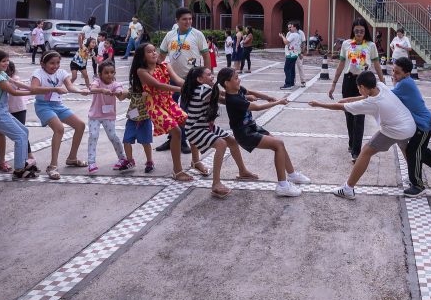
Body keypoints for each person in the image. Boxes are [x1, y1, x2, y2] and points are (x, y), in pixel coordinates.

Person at [310, 70, 414, 201]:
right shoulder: (380, 86)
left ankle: (348, 188)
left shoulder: (372, 103)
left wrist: (318, 104)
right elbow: (364, 97)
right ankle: (414, 178)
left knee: (365, 152)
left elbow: (341, 107)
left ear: (363, 87)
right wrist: (348, 99)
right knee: (404, 147)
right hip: (409, 125)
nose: (358, 91)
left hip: (396, 130)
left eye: (359, 88)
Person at [211, 67, 311, 196]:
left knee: (279, 144)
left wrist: (268, 97)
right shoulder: (234, 100)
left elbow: (252, 92)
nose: (239, 79)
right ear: (226, 83)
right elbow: (257, 108)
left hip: (252, 126)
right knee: (278, 144)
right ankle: (283, 185)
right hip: (244, 134)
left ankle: (292, 174)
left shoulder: (238, 90)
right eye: (236, 78)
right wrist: (278, 102)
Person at [180, 66, 259, 197]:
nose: (212, 77)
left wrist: (243, 98)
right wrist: (243, 100)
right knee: (221, 144)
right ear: (200, 79)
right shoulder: (203, 89)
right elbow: (225, 98)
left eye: (212, 74)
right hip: (196, 129)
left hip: (206, 126)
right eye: (209, 75)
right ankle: (216, 184)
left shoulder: (203, 89)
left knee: (232, 142)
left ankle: (243, 171)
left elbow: (221, 97)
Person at [0, 49, 50, 181]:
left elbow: (16, 83)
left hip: (0, 111)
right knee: (19, 137)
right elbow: (14, 92)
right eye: (3, 61)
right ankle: (19, 170)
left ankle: (23, 163)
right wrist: (35, 93)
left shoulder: (0, 73)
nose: (6, 63)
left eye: (7, 60)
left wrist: (33, 88)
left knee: (24, 131)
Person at [133, 43, 193, 181]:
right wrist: (181, 90)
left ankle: (196, 161)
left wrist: (191, 85)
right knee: (176, 131)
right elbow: (158, 85)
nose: (154, 53)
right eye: (149, 52)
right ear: (142, 56)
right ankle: (177, 171)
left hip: (169, 102)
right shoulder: (141, 71)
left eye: (155, 50)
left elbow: (178, 80)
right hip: (154, 105)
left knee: (190, 124)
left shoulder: (165, 65)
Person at [392, 57, 431, 196]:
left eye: (397, 73)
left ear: (407, 74)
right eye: (393, 71)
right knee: (421, 152)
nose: (394, 75)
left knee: (413, 152)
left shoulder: (404, 84)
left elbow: (388, 96)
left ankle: (418, 185)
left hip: (423, 125)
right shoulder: (404, 81)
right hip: (422, 122)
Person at [328, 19, 384, 162]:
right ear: (353, 30)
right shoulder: (346, 44)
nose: (359, 33)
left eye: (362, 31)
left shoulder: (371, 46)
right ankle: (352, 143)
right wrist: (333, 83)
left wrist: (383, 83)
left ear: (365, 31)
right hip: (348, 81)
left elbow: (377, 64)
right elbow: (341, 63)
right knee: (348, 114)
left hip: (364, 83)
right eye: (356, 30)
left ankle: (356, 151)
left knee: (359, 117)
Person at [156, 8, 209, 154]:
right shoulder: (170, 35)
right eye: (184, 19)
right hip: (172, 79)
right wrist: (154, 73)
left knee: (185, 111)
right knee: (170, 109)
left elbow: (206, 56)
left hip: (191, 79)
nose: (188, 22)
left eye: (190, 19)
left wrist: (207, 76)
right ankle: (172, 139)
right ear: (177, 21)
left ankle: (182, 140)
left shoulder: (197, 35)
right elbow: (161, 56)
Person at [30, 51, 88, 180]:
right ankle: (53, 166)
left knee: (80, 125)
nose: (55, 66)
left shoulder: (61, 73)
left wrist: (80, 91)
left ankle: (72, 158)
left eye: (58, 63)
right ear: (42, 64)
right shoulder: (38, 73)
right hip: (43, 106)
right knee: (59, 129)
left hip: (58, 105)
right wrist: (54, 89)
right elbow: (33, 89)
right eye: (52, 63)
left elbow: (70, 86)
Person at [86, 61, 128, 174]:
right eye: (106, 73)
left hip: (108, 116)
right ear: (100, 74)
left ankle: (122, 158)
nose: (109, 75)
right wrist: (102, 90)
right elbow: (92, 89)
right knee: (93, 136)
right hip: (94, 115)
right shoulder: (97, 82)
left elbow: (120, 93)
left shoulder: (115, 84)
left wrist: (120, 93)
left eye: (112, 72)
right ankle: (91, 162)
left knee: (113, 136)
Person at [280, 20, 304, 90]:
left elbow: (286, 42)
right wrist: (299, 53)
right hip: (295, 54)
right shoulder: (298, 35)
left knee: (287, 69)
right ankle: (292, 83)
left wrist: (282, 36)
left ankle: (288, 84)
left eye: (292, 27)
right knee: (292, 69)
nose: (290, 28)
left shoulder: (293, 35)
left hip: (290, 54)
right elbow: (298, 46)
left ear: (295, 27)